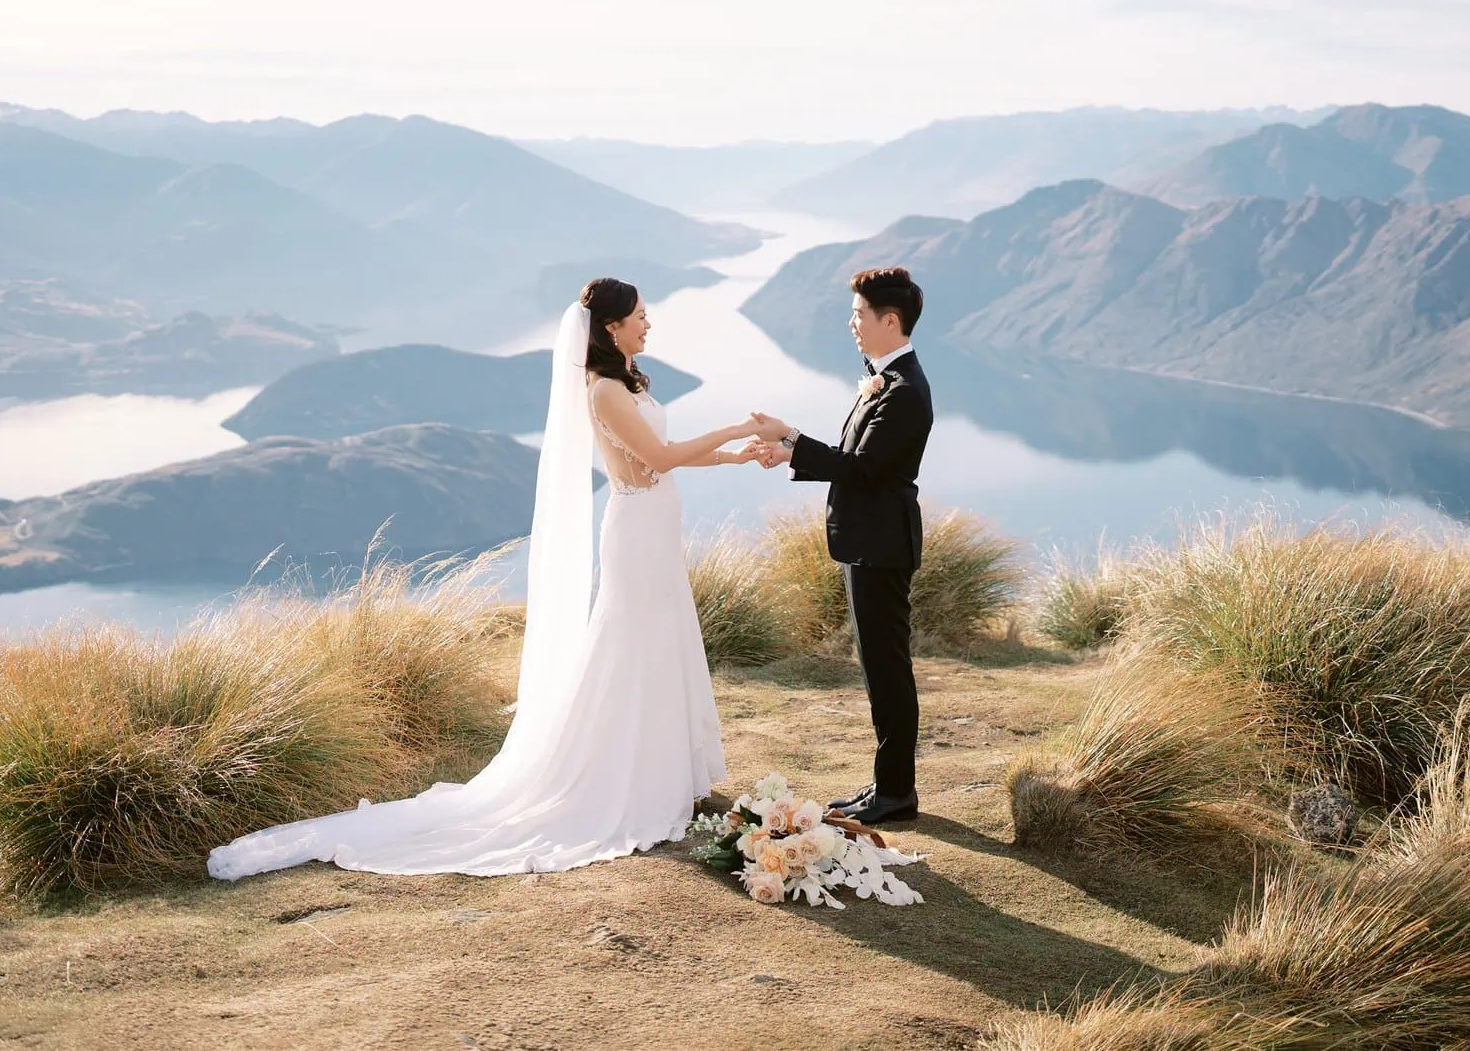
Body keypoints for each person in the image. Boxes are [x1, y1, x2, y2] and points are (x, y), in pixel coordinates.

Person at [206, 277, 757, 880]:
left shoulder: (627, 384)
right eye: (641, 316)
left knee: (661, 638)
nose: (649, 324)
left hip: (655, 525)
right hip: (636, 533)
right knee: (633, 645)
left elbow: (662, 450)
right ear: (611, 327)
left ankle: (666, 772)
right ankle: (624, 778)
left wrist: (733, 457)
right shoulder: (603, 391)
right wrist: (734, 430)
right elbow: (659, 459)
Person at [743, 266, 933, 826]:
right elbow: (856, 462)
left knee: (887, 669)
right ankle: (888, 784)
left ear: (889, 321)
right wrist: (789, 447)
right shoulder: (886, 379)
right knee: (879, 667)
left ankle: (896, 794)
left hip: (881, 546)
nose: (852, 323)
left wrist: (791, 439)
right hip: (868, 543)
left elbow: (862, 469)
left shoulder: (904, 392)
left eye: (859, 314)